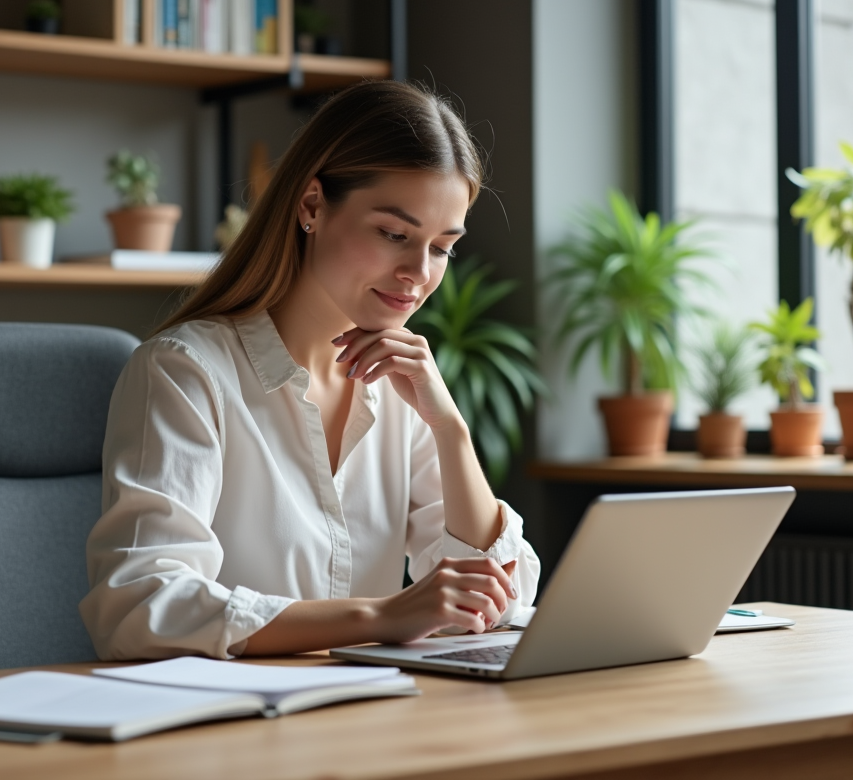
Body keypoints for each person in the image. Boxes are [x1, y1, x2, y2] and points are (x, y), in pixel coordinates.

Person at [80, 80, 541, 660]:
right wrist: (381, 615)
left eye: (442, 246)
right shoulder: (185, 372)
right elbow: (141, 607)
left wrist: (451, 431)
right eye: (394, 234)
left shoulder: (403, 390)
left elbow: (500, 596)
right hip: (226, 734)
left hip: (364, 723)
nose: (418, 273)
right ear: (312, 205)